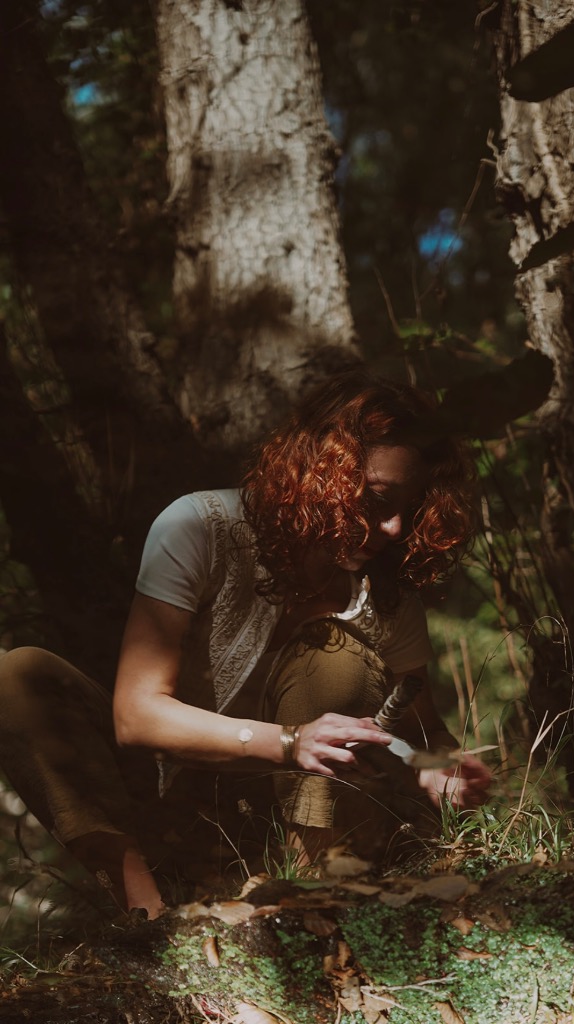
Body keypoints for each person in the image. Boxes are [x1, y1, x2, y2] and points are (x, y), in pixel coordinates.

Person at [0, 370, 490, 921]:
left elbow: (422, 729)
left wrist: (441, 763)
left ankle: (315, 903)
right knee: (18, 676)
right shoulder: (201, 528)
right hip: (166, 806)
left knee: (334, 654)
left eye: (413, 505)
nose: (397, 527)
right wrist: (289, 742)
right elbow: (135, 716)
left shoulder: (389, 601)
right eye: (377, 499)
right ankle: (144, 913)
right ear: (319, 473)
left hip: (293, 832)